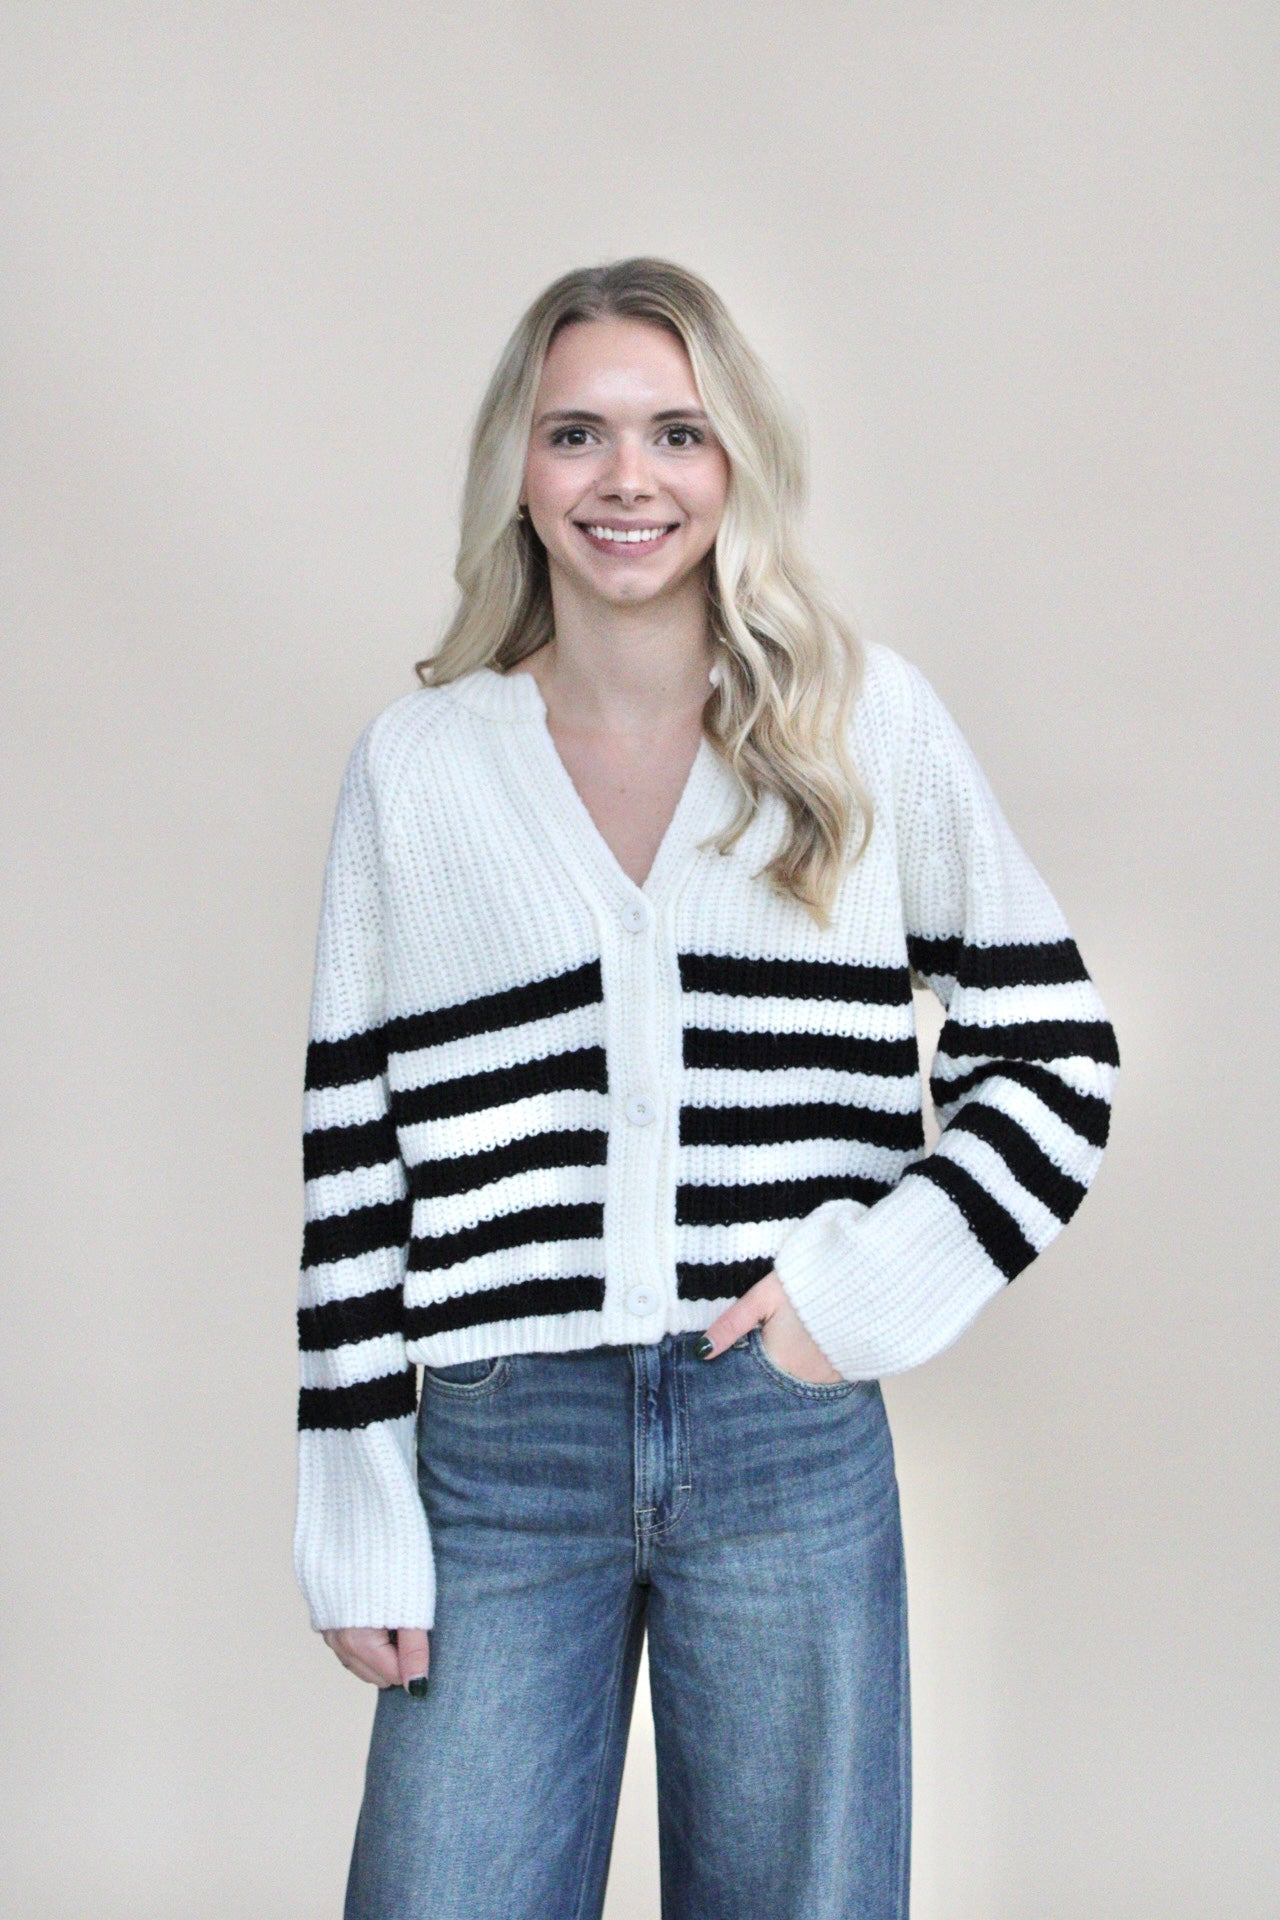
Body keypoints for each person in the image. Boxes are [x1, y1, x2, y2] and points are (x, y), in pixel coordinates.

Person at [292, 258, 1118, 1920]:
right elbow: (354, 1158)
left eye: (678, 432)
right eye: (578, 433)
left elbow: (1056, 1054)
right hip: (501, 1446)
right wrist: (357, 1501)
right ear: (518, 471)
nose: (629, 479)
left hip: (779, 1436)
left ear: (736, 462)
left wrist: (853, 1298)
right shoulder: (420, 770)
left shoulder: (859, 727)